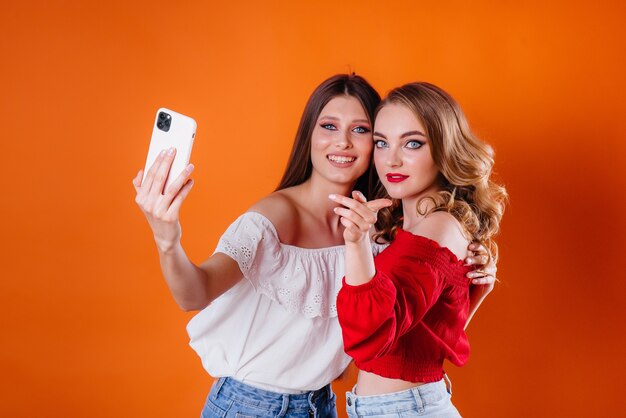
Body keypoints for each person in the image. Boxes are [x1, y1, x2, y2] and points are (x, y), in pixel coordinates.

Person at [132, 75, 496, 417]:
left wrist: (466, 285)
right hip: (251, 406)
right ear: (309, 134)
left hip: (322, 405)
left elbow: (391, 339)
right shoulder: (274, 217)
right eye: (329, 126)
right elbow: (195, 293)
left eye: (361, 131)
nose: (343, 142)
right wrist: (167, 239)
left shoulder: (378, 230)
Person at [332, 82, 507, 417]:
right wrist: (476, 293)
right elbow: (428, 336)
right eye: (382, 143)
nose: (391, 159)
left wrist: (355, 244)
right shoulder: (412, 226)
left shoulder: (436, 228)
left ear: (445, 149)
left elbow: (370, 336)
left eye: (412, 143)